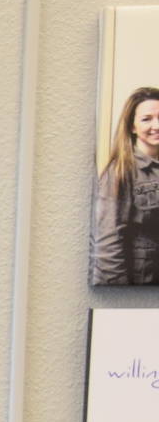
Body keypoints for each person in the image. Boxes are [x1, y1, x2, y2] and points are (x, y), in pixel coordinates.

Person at [91, 86, 159, 285]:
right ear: (132, 126)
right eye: (146, 119)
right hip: (138, 287)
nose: (156, 125)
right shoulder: (120, 171)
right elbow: (107, 244)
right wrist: (121, 298)